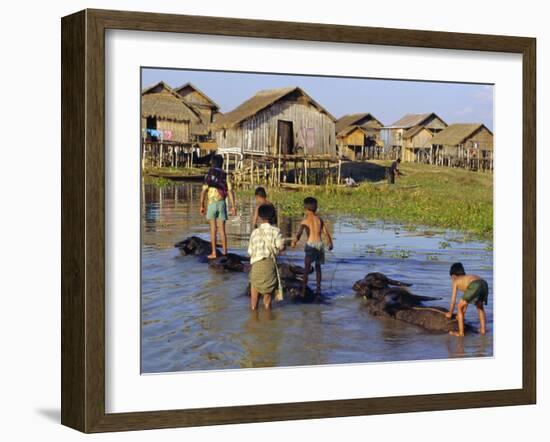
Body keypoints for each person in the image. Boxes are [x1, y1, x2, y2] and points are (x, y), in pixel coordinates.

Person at [291, 197, 334, 298]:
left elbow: (299, 234)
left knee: (306, 269)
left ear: (305, 209)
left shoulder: (305, 221)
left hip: (310, 245)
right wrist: (330, 243)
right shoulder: (319, 219)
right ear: (316, 208)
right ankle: (318, 290)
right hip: (319, 244)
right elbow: (326, 233)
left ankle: (304, 290)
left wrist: (294, 242)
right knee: (318, 268)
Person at [247, 204, 285, 310]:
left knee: (253, 305)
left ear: (259, 217)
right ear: (273, 216)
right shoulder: (276, 231)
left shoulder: (254, 232)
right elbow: (280, 246)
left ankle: (254, 322)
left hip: (256, 268)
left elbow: (250, 252)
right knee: (267, 303)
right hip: (269, 267)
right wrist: (283, 246)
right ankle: (268, 322)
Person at [199, 154, 237, 259]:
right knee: (222, 230)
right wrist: (233, 206)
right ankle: (225, 252)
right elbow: (230, 191)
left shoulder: (209, 175)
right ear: (221, 164)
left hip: (212, 204)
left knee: (213, 229)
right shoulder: (225, 175)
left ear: (212, 163)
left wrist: (202, 205)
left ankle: (214, 253)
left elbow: (203, 192)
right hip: (222, 204)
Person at [445, 262, 489, 337]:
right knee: (480, 307)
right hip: (484, 283)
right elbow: (467, 300)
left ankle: (461, 333)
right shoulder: (467, 278)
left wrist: (450, 313)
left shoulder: (456, 281)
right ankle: (483, 329)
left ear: (453, 276)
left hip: (475, 285)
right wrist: (463, 312)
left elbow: (453, 300)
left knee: (459, 306)